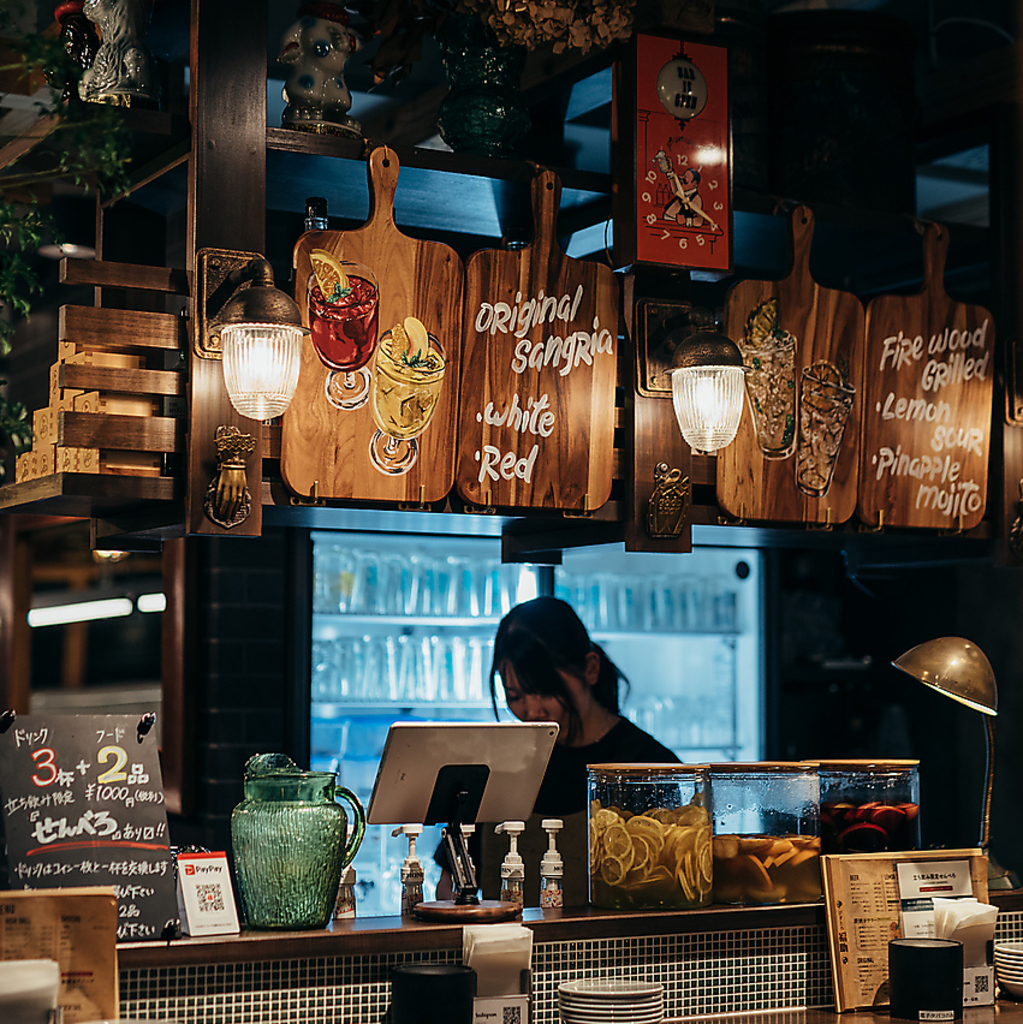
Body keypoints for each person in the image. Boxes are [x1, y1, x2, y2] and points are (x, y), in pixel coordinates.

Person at [436, 596, 679, 902]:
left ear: (590, 669)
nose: (531, 709)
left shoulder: (648, 766)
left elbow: (673, 890)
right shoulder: (497, 766)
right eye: (515, 695)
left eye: (546, 691)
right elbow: (448, 884)